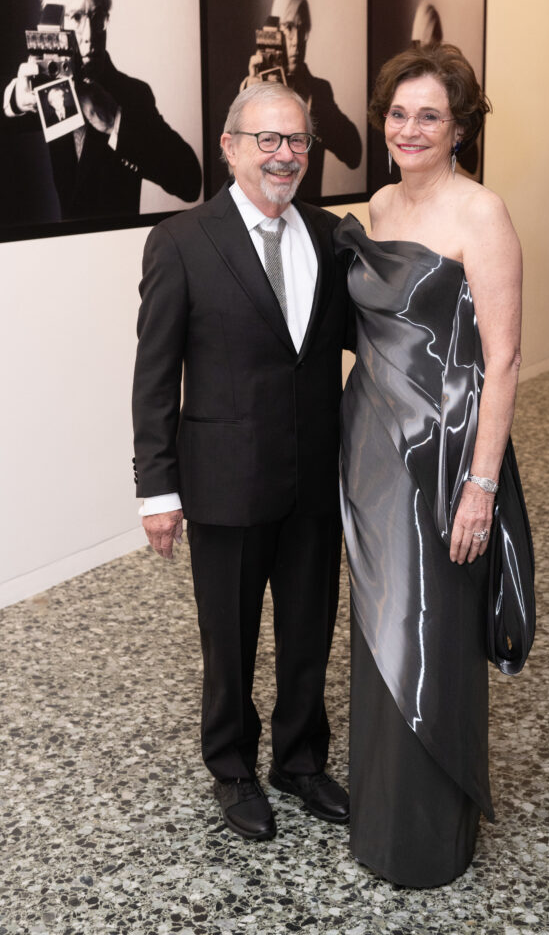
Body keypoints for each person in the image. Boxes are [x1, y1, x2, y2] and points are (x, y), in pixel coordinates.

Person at [132, 82, 353, 843]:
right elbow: (155, 376)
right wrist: (156, 489)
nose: (284, 155)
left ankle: (300, 760)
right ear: (229, 146)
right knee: (227, 640)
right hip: (223, 483)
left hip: (314, 483)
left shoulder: (330, 235)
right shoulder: (181, 241)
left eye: (296, 141)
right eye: (268, 140)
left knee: (308, 630)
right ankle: (232, 768)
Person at [336, 43, 534, 887]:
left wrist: (480, 486)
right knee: (379, 632)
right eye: (398, 112)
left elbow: (506, 359)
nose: (409, 128)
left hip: (445, 457)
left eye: (429, 115)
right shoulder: (376, 203)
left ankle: (426, 836)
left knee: (429, 632)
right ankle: (379, 818)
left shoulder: (479, 213)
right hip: (372, 451)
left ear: (458, 129)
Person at [3, 0, 201, 220]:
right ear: (55, 22)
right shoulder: (43, 87)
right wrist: (15, 100)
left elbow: (190, 181)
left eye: (97, 17)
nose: (89, 34)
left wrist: (115, 122)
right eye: (76, 17)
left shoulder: (133, 94)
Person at [242, 0, 361, 199]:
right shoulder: (249, 88)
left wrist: (310, 104)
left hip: (307, 218)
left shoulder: (319, 91)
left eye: (301, 28)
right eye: (288, 28)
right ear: (273, 34)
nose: (296, 40)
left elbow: (354, 154)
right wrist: (246, 95)